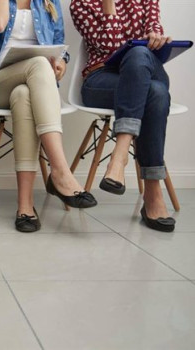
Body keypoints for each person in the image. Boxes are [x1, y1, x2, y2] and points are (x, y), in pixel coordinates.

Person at [0, 0, 97, 232]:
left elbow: (60, 46)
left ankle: (25, 206)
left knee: (23, 96)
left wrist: (61, 63)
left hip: (32, 86)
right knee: (40, 64)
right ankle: (60, 171)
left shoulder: (48, 2)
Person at [71, 0, 175, 232]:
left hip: (145, 70)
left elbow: (153, 31)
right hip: (101, 81)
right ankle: (153, 193)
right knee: (156, 93)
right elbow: (111, 48)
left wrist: (157, 39)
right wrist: (108, 5)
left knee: (139, 54)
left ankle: (119, 156)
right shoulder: (81, 4)